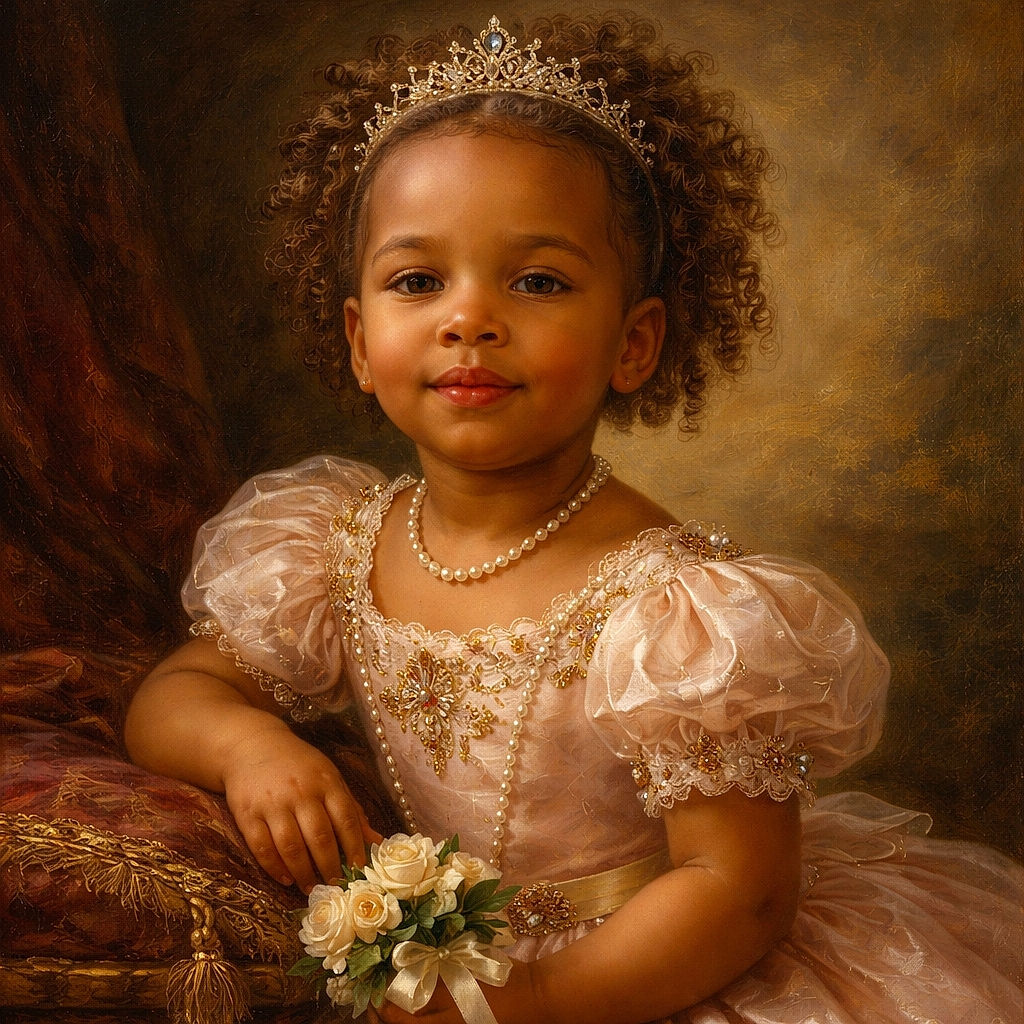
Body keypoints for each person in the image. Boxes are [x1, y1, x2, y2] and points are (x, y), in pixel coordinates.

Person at [125, 15, 1023, 1024]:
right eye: (417, 281)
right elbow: (175, 695)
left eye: (538, 282)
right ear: (360, 342)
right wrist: (248, 746)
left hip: (642, 977)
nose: (470, 319)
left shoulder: (680, 611)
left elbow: (740, 891)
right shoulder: (334, 547)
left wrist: (530, 1001)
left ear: (633, 344)